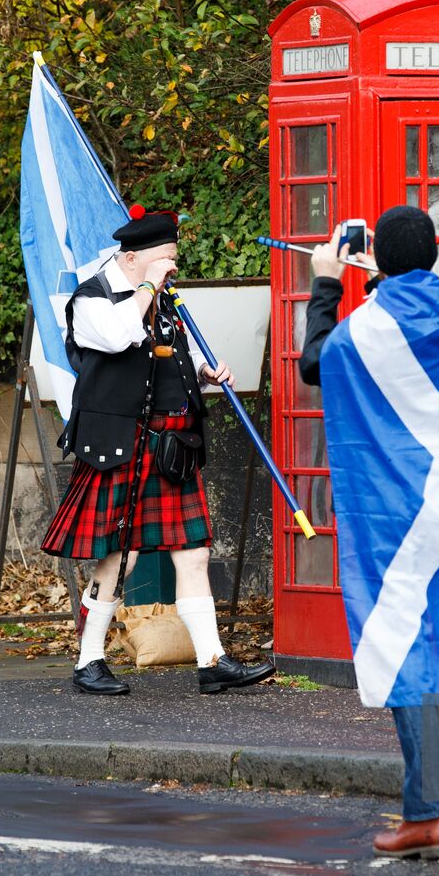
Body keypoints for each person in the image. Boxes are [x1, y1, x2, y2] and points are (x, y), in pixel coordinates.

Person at [301, 205, 439, 859]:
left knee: (409, 654)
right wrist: (391, 279)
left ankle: (428, 818)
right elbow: (417, 321)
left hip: (401, 526)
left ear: (379, 258)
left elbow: (315, 362)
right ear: (432, 255)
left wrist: (325, 282)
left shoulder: (364, 328)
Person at [40, 205, 275, 696]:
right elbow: (120, 336)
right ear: (131, 259)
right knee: (118, 561)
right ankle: (89, 660)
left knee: (194, 553)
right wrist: (147, 288)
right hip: (119, 447)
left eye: (172, 259)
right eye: (164, 259)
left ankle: (212, 661)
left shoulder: (162, 301)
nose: (172, 267)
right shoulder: (93, 301)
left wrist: (204, 377)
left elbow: (168, 361)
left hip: (171, 446)